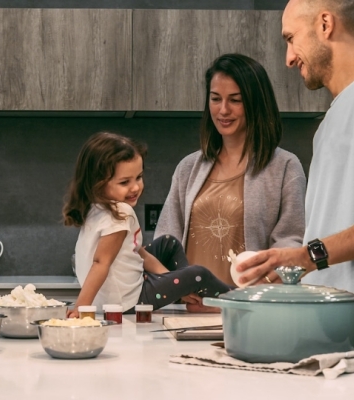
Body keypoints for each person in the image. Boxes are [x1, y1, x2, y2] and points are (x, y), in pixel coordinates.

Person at [154, 53, 307, 310]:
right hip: (188, 312)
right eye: (215, 99)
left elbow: (291, 243)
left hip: (249, 312)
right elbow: (166, 240)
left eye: (235, 100)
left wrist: (263, 284)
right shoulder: (188, 168)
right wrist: (174, 285)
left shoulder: (285, 167)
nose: (223, 110)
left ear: (256, 104)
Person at [237, 0, 354, 293]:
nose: (289, 59)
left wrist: (306, 256)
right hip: (335, 322)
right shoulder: (331, 120)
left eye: (291, 38)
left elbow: (314, 254)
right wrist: (298, 267)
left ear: (325, 25)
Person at [62, 131, 231, 317]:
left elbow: (139, 253)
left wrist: (175, 283)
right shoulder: (120, 212)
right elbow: (101, 262)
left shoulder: (95, 208)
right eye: (125, 182)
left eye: (139, 177)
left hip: (119, 295)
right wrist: (81, 307)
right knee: (198, 274)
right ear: (98, 183)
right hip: (127, 301)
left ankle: (188, 296)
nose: (135, 187)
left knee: (168, 243)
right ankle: (238, 300)